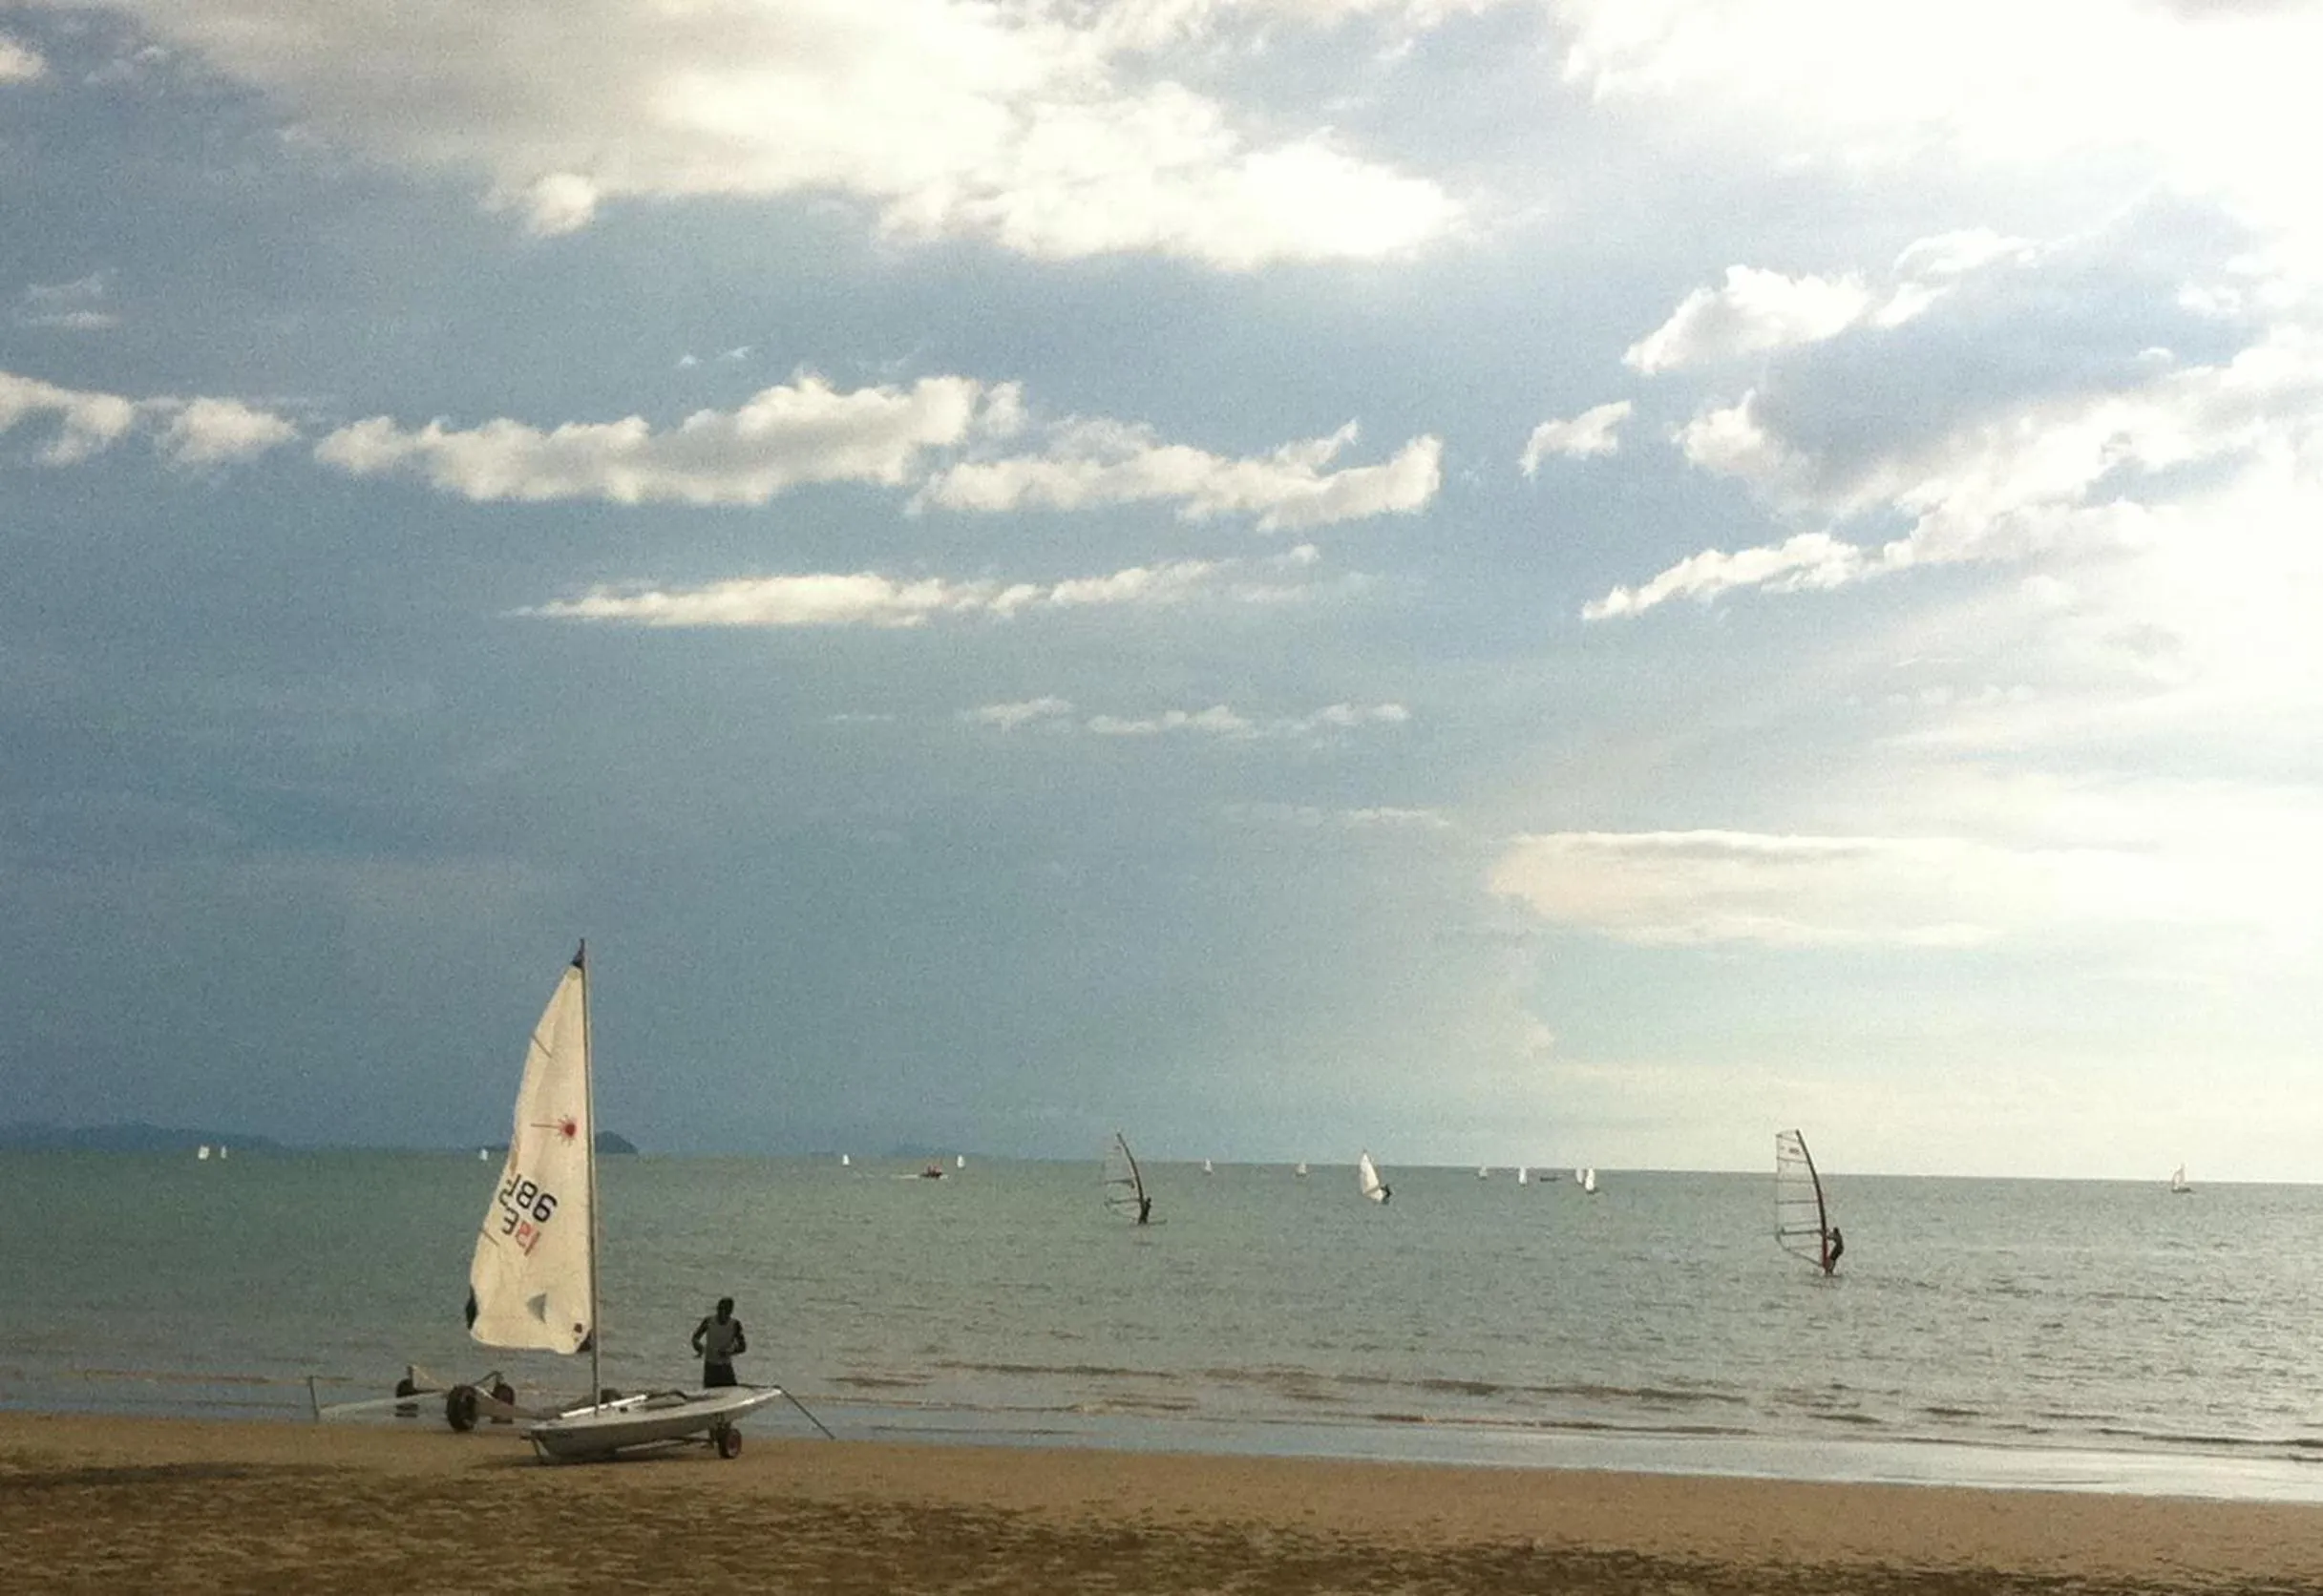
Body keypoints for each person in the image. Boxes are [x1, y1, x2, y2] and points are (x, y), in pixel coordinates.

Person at [690, 1296, 747, 1387]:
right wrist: (699, 1348)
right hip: (710, 1366)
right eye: (720, 1309)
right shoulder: (708, 1321)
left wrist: (729, 1352)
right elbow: (695, 1338)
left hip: (725, 1366)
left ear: (730, 1311)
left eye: (726, 1310)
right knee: (710, 1392)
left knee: (730, 1392)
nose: (722, 1313)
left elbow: (743, 1347)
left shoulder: (735, 1325)